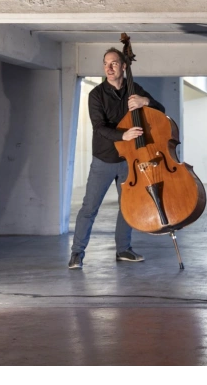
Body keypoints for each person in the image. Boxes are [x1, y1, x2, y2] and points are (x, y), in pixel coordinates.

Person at [68, 47, 165, 269]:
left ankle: (123, 249)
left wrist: (145, 101)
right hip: (104, 159)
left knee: (126, 207)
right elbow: (99, 127)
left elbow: (160, 110)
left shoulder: (134, 89)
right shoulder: (96, 94)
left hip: (129, 160)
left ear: (123, 66)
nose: (108, 68)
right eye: (105, 63)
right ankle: (77, 254)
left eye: (113, 63)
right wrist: (123, 135)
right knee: (89, 208)